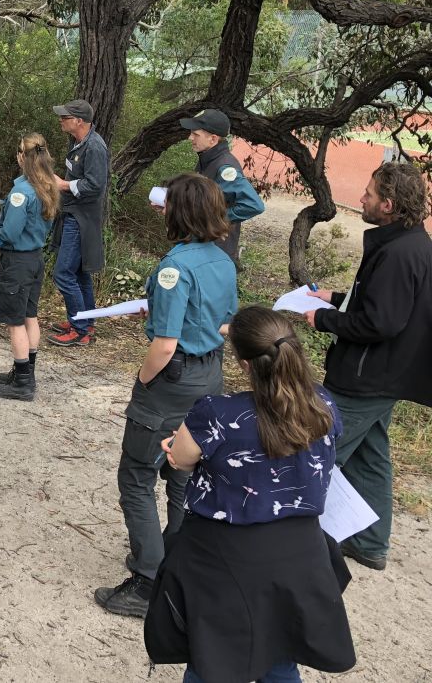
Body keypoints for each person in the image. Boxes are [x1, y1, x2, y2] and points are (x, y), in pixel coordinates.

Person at [146, 306, 355, 683]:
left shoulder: (216, 413)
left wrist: (175, 450)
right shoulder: (323, 403)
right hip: (300, 553)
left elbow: (181, 458)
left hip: (226, 556)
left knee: (212, 659)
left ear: (243, 364)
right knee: (279, 651)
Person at [95, 173, 237, 617]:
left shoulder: (176, 267)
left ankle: (146, 579)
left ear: (182, 212)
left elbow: (165, 345)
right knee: (182, 474)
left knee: (136, 476)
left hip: (173, 381)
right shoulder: (223, 261)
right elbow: (223, 324)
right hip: (209, 375)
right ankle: (175, 562)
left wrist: (144, 377)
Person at [304, 161, 432, 571]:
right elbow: (385, 303)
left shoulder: (398, 254)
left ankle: (290, 543)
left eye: (370, 194)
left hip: (366, 377)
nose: (362, 199)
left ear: (389, 205)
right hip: (387, 373)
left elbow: (381, 321)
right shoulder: (411, 242)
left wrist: (322, 319)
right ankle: (371, 543)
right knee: (372, 457)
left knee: (318, 451)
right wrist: (336, 297)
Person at [0, 133, 60, 401]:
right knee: (29, 316)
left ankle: (23, 383)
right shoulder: (47, 185)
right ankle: (25, 370)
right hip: (35, 259)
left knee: (15, 322)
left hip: (17, 262)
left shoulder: (21, 192)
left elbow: (11, 233)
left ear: (22, 157)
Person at [48, 99, 108, 346]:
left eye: (65, 117)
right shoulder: (77, 142)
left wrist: (63, 185)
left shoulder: (94, 147)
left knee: (63, 273)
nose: (61, 120)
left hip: (82, 219)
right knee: (80, 272)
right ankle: (86, 321)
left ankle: (79, 329)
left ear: (79, 121)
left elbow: (95, 185)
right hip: (72, 213)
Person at [178, 108, 265, 265]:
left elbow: (254, 205)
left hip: (215, 252)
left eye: (196, 134)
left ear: (213, 139)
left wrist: (217, 220)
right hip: (200, 244)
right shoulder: (207, 158)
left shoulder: (225, 167)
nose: (190, 137)